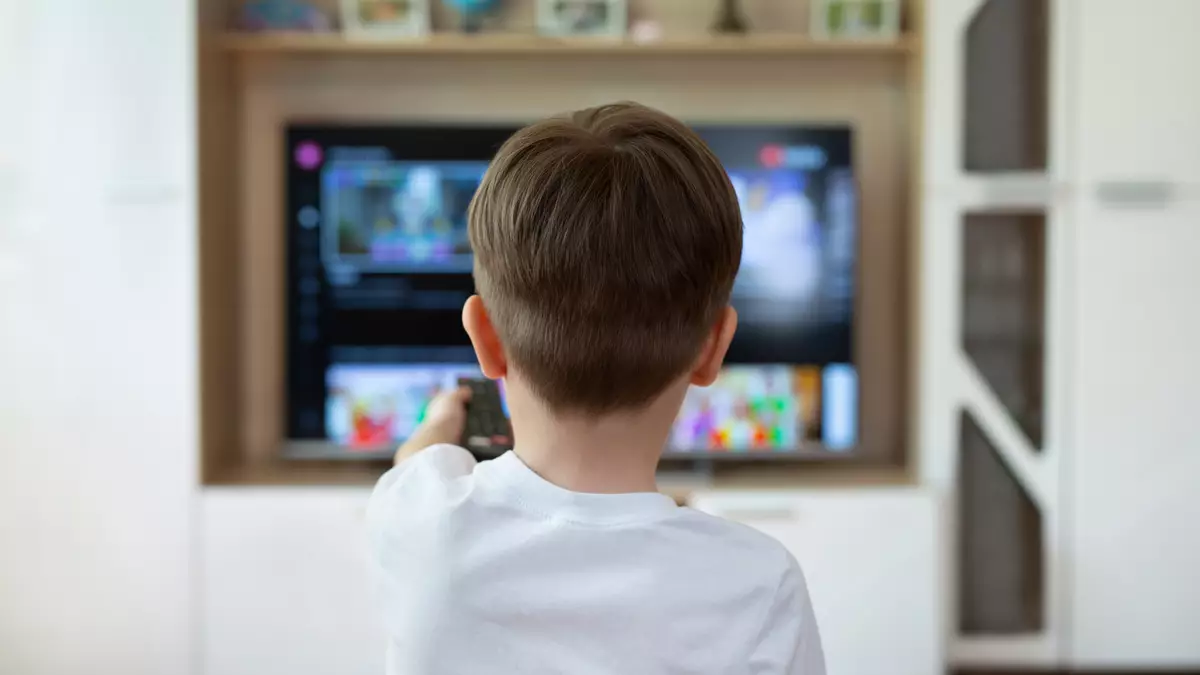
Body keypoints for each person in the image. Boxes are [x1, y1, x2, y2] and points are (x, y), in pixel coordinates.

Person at [367, 102, 826, 674]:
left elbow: (411, 466)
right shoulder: (760, 583)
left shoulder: (419, 522)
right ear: (714, 348)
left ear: (485, 338)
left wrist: (440, 425)